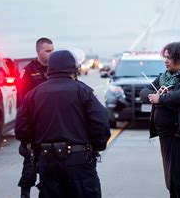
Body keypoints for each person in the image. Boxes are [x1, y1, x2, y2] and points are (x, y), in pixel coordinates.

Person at [15, 50, 111, 198]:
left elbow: (21, 130)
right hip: (78, 162)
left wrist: (36, 147)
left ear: (50, 70)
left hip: (47, 162)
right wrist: (97, 146)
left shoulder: (33, 94)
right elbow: (101, 123)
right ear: (74, 70)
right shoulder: (83, 91)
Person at [140, 42, 180, 198]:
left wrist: (161, 98)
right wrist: (151, 96)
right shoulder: (163, 77)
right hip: (167, 136)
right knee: (172, 180)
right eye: (165, 57)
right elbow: (144, 91)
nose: (165, 61)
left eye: (169, 58)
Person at [17, 37, 54, 198]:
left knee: (49, 167)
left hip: (51, 124)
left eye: (53, 50)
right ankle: (25, 192)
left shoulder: (56, 69)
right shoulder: (29, 71)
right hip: (34, 126)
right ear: (38, 51)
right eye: (48, 51)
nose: (51, 53)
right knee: (30, 165)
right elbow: (22, 100)